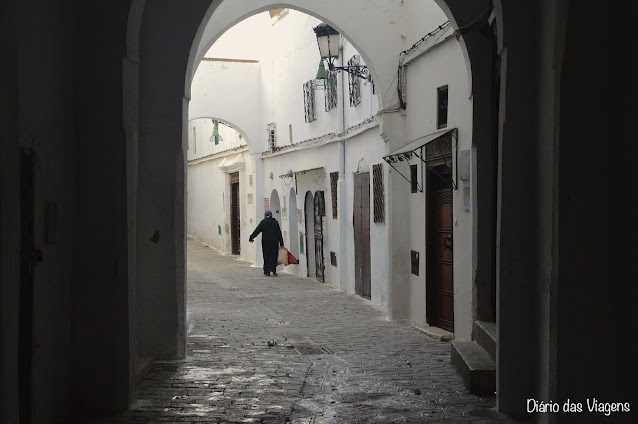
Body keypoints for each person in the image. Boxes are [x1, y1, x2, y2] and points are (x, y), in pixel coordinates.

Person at [249, 210, 284, 276]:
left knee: (266, 255)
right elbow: (279, 233)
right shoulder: (275, 222)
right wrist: (281, 243)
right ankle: (274, 271)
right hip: (274, 242)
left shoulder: (263, 222)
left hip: (266, 242)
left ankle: (267, 271)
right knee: (274, 256)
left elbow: (257, 230)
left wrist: (251, 237)